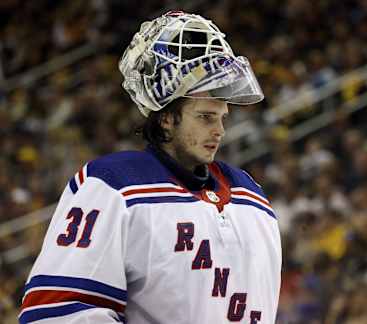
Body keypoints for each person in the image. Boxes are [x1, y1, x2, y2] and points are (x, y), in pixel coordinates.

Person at [19, 11, 281, 324]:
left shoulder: (252, 195)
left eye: (222, 117)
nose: (219, 130)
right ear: (167, 118)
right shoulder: (113, 184)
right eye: (205, 117)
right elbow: (57, 314)